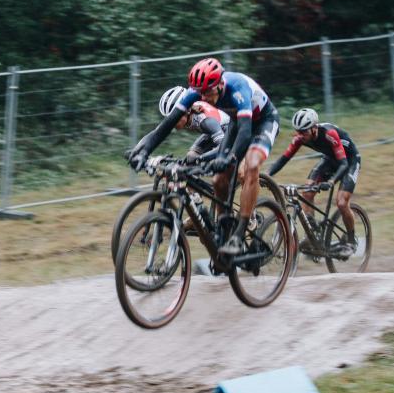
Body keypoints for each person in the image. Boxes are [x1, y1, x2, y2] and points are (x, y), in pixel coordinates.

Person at [128, 58, 279, 255]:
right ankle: (224, 229)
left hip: (263, 121)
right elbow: (164, 127)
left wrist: (230, 158)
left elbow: (245, 133)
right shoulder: (196, 92)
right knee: (218, 180)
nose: (204, 98)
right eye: (200, 93)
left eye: (208, 92)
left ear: (220, 84)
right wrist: (142, 150)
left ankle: (240, 233)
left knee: (250, 164)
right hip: (236, 123)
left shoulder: (238, 87)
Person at [267, 108, 361, 255]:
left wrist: (331, 181)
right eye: (298, 131)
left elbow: (343, 164)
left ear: (314, 128)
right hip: (330, 159)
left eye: (304, 131)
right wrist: (266, 175)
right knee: (307, 191)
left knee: (342, 202)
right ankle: (313, 232)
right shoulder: (300, 138)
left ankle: (351, 239)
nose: (300, 135)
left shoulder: (329, 134)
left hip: (349, 161)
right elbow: (284, 159)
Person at [137, 85, 231, 163]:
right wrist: (138, 150)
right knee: (190, 157)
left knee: (221, 174)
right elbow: (156, 133)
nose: (173, 122)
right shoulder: (190, 115)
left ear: (187, 111)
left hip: (229, 130)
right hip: (212, 133)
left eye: (177, 117)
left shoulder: (205, 121)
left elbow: (223, 147)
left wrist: (201, 159)